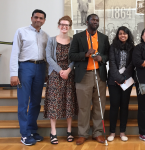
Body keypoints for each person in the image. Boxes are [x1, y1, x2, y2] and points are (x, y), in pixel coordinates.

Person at [69, 14, 110, 145]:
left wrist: (101, 58)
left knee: (99, 106)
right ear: (87, 21)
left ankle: (98, 133)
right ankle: (83, 134)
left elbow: (108, 55)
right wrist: (85, 54)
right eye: (93, 20)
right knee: (83, 107)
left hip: (99, 74)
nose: (95, 22)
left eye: (97, 20)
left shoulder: (104, 38)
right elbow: (72, 55)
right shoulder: (78, 37)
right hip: (84, 75)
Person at [9, 9, 49, 146]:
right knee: (23, 102)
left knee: (36, 102)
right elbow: (15, 53)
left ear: (44, 20)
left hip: (40, 67)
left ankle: (32, 129)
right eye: (36, 17)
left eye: (41, 18)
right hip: (25, 67)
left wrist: (46, 73)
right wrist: (14, 73)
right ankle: (24, 134)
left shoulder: (45, 36)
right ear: (31, 18)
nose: (38, 20)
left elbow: (47, 56)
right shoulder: (21, 31)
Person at [44, 16, 78, 144]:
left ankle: (69, 131)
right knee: (54, 103)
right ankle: (53, 132)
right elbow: (48, 57)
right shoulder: (51, 40)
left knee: (69, 102)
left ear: (70, 27)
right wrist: (60, 71)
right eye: (62, 24)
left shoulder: (74, 41)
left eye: (67, 25)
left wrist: (68, 71)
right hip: (54, 75)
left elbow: (74, 58)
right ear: (58, 26)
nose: (64, 27)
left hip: (69, 75)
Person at [107, 26, 135, 142]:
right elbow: (112, 63)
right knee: (114, 106)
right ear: (117, 35)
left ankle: (122, 132)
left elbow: (132, 64)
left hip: (127, 81)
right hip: (113, 81)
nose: (122, 35)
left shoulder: (132, 48)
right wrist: (118, 78)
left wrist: (124, 78)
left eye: (125, 34)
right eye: (120, 33)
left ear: (128, 35)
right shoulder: (113, 47)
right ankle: (112, 132)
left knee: (124, 106)